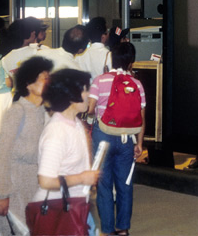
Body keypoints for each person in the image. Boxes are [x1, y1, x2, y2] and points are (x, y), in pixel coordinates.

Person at [0, 56, 52, 236]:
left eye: (49, 77)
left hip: (33, 185)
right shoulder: (17, 111)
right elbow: (2, 153)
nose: (48, 81)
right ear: (28, 84)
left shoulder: (43, 111)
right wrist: (1, 194)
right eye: (44, 77)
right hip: (13, 185)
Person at [31, 69, 99, 235]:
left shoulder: (75, 123)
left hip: (78, 206)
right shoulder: (57, 132)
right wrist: (82, 178)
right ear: (69, 94)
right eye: (84, 89)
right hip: (62, 211)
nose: (88, 94)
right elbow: (46, 181)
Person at [88, 42, 146, 236]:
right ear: (131, 62)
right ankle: (123, 228)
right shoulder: (136, 84)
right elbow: (141, 117)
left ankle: (107, 230)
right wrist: (139, 143)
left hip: (103, 137)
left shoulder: (99, 80)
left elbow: (90, 110)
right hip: (126, 139)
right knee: (125, 184)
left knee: (104, 185)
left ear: (111, 59)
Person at [76, 17, 111, 81]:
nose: (108, 34)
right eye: (107, 31)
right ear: (103, 36)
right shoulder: (109, 55)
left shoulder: (79, 56)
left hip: (85, 90)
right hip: (102, 90)